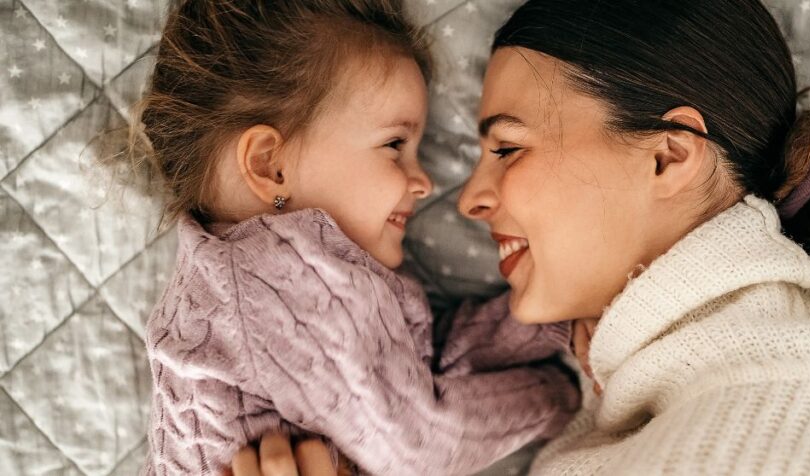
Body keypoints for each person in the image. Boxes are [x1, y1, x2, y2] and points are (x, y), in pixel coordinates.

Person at [238, 0, 810, 474]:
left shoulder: (775, 425)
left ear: (668, 157)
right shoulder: (762, 374)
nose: (470, 198)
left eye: (506, 148)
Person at [129, 1, 580, 475]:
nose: (422, 181)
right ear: (270, 165)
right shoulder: (271, 278)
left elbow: (423, 370)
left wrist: (554, 326)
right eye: (394, 146)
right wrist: (559, 398)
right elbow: (419, 444)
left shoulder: (260, 273)